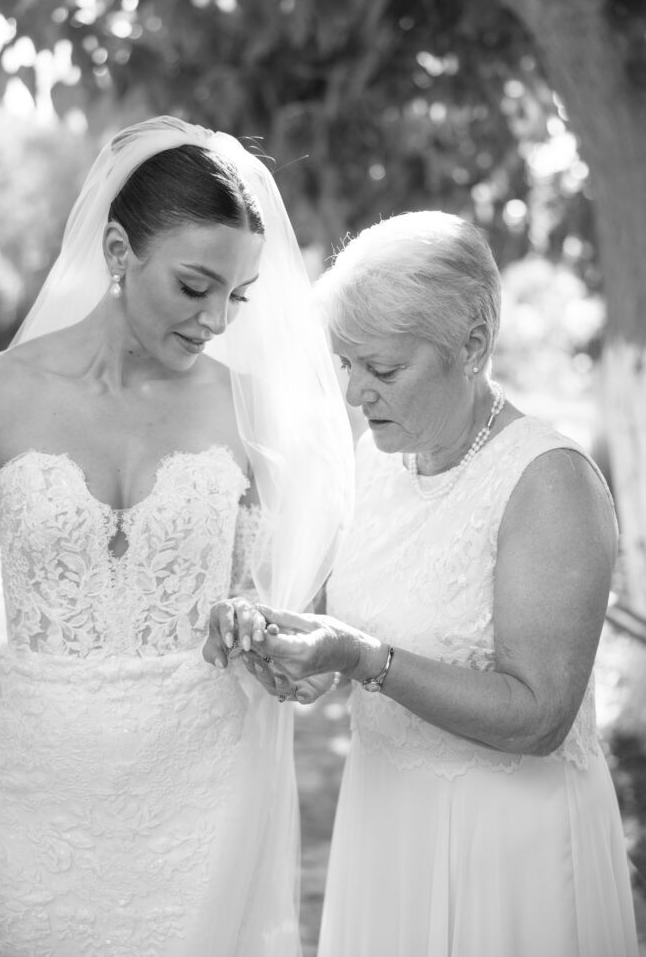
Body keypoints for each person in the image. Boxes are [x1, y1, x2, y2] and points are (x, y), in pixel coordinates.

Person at [0, 116, 353, 956]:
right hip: (28, 795)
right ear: (116, 249)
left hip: (200, 788)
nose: (216, 317)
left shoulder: (252, 414)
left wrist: (263, 635)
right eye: (193, 285)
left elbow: (287, 634)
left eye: (236, 296)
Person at [206, 211, 640, 957]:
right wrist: (296, 649)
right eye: (346, 364)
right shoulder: (379, 460)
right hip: (385, 821)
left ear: (470, 345)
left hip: (504, 846)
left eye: (381, 369)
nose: (354, 393)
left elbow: (537, 715)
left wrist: (360, 660)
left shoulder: (548, 483)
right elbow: (371, 630)